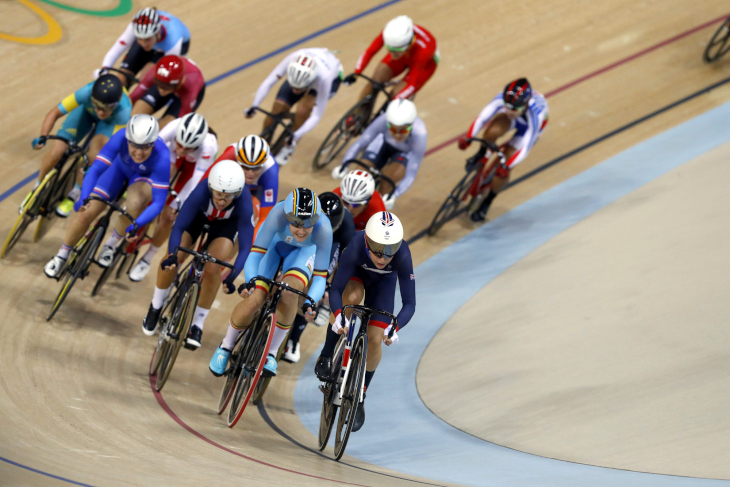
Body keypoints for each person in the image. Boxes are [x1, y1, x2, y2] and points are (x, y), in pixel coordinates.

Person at [208, 188, 332, 378]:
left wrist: (310, 302)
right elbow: (256, 254)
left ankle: (271, 353)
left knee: (291, 293)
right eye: (297, 223)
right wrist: (250, 282)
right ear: (288, 216)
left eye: (308, 225)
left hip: (302, 254)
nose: (301, 230)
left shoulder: (324, 228)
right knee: (255, 299)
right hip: (275, 247)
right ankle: (226, 346)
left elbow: (320, 277)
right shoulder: (278, 214)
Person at [315, 211, 415, 432]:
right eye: (378, 250)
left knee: (375, 339)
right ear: (368, 241)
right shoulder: (356, 245)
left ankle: (360, 394)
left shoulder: (403, 254)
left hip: (383, 287)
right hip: (357, 277)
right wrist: (339, 314)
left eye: (389, 252)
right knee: (349, 300)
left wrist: (394, 327)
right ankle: (327, 353)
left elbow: (409, 303)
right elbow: (337, 289)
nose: (383, 257)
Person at [141, 160, 255, 346]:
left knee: (213, 267)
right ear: (211, 188)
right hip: (197, 217)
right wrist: (171, 255)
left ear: (238, 193)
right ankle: (155, 306)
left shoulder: (244, 203)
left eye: (228, 197)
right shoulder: (202, 191)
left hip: (225, 226)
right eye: (218, 194)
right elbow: (178, 227)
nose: (222, 200)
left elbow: (245, 248)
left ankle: (198, 324)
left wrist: (231, 276)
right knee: (176, 256)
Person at [44, 114, 170, 278]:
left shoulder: (163, 157)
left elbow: (158, 203)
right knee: (85, 213)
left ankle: (111, 244)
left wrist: (135, 225)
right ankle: (62, 254)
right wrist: (84, 196)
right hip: (118, 168)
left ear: (153, 143)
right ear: (128, 139)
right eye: (134, 145)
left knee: (136, 202)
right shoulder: (120, 137)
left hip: (141, 177)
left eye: (145, 147)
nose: (139, 152)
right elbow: (96, 169)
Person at [129, 112, 218, 282]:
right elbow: (148, 152)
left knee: (170, 215)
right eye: (180, 143)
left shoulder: (208, 147)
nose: (182, 150)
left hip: (195, 166)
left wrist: (183, 208)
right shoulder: (173, 128)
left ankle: (147, 257)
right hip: (169, 152)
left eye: (188, 147)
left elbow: (195, 186)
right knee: (159, 176)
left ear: (198, 145)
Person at [25, 75, 131, 217]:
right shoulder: (85, 92)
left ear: (115, 105)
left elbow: (113, 147)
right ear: (92, 98)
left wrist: (94, 169)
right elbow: (54, 112)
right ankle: (37, 188)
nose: (100, 112)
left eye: (105, 108)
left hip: (109, 124)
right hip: (86, 113)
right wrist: (43, 136)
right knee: (57, 150)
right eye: (97, 105)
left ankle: (74, 194)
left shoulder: (124, 112)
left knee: (94, 156)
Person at [457, 78, 549, 221]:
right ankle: (480, 154)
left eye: (516, 108)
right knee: (492, 131)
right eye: (507, 106)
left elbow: (526, 146)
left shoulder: (536, 114)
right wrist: (468, 138)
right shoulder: (502, 98)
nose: (511, 111)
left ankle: (488, 201)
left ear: (525, 104)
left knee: (505, 165)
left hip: (529, 130)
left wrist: (507, 166)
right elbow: (482, 118)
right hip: (516, 120)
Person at [282, 191, 354, 363]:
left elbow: (344, 263)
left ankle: (294, 338)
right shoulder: (307, 214)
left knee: (313, 281)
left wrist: (330, 286)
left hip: (329, 245)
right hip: (307, 236)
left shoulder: (346, 228)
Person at [244, 48, 343, 165]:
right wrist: (254, 106)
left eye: (299, 88)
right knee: (277, 109)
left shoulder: (324, 78)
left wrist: (296, 136)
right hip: (301, 77)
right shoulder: (292, 59)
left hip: (332, 79)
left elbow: (317, 115)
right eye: (293, 86)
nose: (295, 91)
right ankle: (262, 142)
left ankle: (289, 148)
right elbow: (268, 82)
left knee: (303, 110)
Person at [331, 99, 426, 209]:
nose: (397, 135)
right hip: (383, 144)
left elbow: (411, 174)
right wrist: (344, 166)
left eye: (403, 131)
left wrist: (394, 195)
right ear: (388, 123)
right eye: (393, 129)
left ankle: (375, 212)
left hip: (404, 153)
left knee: (387, 181)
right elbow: (360, 143)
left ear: (411, 126)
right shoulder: (383, 120)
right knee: (360, 173)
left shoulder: (420, 135)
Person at [346, 15, 438, 101]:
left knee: (395, 96)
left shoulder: (425, 50)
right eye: (389, 49)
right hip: (404, 57)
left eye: (395, 50)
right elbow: (370, 52)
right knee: (373, 83)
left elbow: (413, 83)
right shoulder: (390, 33)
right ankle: (354, 116)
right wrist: (357, 73)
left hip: (424, 66)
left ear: (408, 44)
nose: (393, 55)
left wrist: (395, 101)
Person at [202, 135, 278, 236]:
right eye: (245, 167)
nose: (250, 173)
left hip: (253, 192)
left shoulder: (271, 172)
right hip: (229, 183)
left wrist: (254, 247)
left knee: (248, 217)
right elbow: (204, 183)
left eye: (255, 168)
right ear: (237, 160)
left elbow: (264, 218)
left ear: (262, 165)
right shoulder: (230, 154)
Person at [97, 7, 191, 87]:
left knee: (146, 78)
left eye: (146, 39)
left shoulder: (173, 39)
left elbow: (166, 76)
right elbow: (116, 49)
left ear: (157, 32)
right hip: (155, 41)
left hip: (172, 46)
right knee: (122, 78)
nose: (143, 43)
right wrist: (104, 71)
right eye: (139, 38)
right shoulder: (136, 26)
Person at [130, 55, 206, 129]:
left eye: (165, 87)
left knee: (164, 128)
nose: (161, 91)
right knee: (135, 115)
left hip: (186, 92)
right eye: (158, 85)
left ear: (178, 83)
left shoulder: (191, 87)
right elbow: (133, 97)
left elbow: (180, 121)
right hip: (168, 82)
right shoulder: (154, 73)